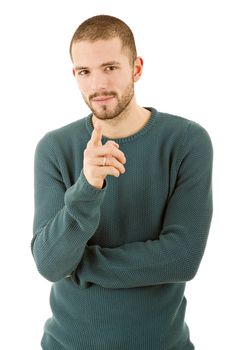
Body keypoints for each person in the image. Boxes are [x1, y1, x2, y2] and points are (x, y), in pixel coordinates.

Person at [31, 14, 213, 350]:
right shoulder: (55, 148)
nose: (97, 85)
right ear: (75, 75)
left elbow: (182, 258)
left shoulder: (187, 141)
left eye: (110, 67)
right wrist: (87, 187)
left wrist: (82, 265)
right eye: (84, 72)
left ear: (137, 69)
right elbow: (50, 264)